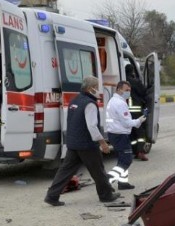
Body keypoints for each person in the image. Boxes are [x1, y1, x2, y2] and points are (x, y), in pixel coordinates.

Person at [44, 76, 119, 206]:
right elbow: (92, 126)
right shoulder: (90, 104)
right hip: (86, 144)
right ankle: (106, 195)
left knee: (65, 171)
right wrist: (102, 142)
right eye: (96, 87)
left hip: (73, 143)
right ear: (90, 88)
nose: (98, 90)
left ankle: (52, 196)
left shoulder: (75, 101)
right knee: (98, 170)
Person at [105, 81, 146, 190]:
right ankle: (107, 180)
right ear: (119, 89)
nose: (128, 92)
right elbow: (127, 123)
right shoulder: (120, 103)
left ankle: (123, 183)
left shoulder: (113, 100)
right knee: (126, 160)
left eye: (129, 90)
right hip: (120, 135)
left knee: (121, 158)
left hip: (114, 134)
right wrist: (140, 120)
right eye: (126, 90)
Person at [125, 64, 149, 161]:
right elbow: (144, 92)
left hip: (125, 111)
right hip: (136, 111)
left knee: (131, 133)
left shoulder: (122, 82)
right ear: (132, 72)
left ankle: (134, 152)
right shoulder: (135, 82)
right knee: (140, 133)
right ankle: (141, 152)